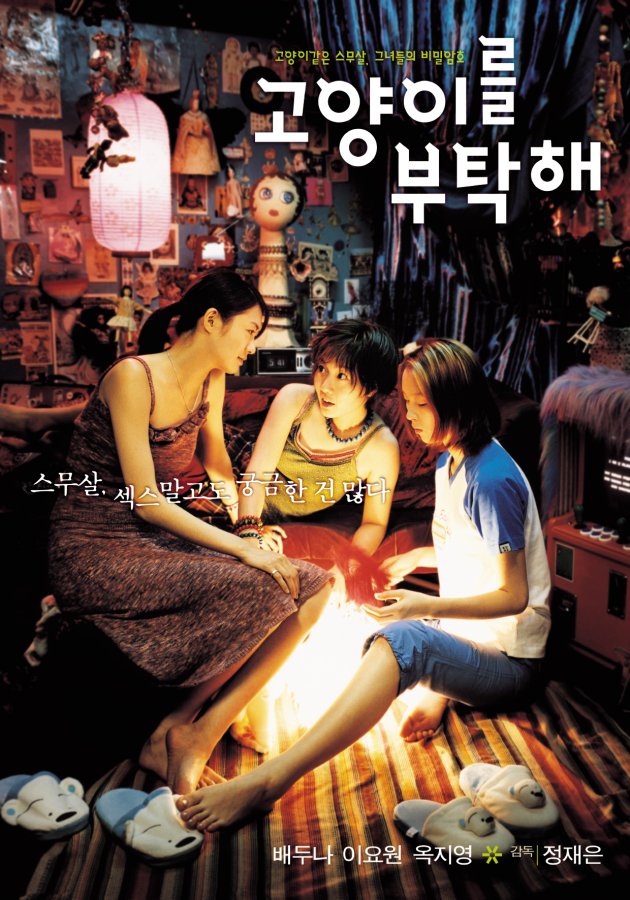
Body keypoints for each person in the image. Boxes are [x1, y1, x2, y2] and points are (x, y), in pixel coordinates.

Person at [174, 338, 551, 833]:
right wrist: (416, 558)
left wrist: (422, 606)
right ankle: (209, 722)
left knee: (403, 639)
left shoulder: (493, 480)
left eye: (420, 405)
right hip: (467, 636)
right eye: (407, 402)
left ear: (455, 402)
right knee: (348, 619)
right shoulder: (451, 459)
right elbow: (474, 550)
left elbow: (514, 596)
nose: (409, 416)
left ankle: (269, 782)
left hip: (511, 663)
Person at [47, 270, 333, 796]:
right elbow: (146, 499)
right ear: (212, 321)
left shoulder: (211, 381)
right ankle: (173, 734)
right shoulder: (133, 376)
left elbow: (218, 463)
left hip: (150, 540)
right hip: (92, 545)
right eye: (249, 332)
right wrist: (241, 550)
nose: (252, 346)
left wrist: (249, 526)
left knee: (314, 586)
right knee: (264, 581)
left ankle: (190, 731)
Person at [238, 319, 400, 558]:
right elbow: (256, 476)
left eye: (342, 375)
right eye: (322, 369)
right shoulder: (295, 399)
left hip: (269, 516)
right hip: (233, 483)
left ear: (370, 387)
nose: (324, 386)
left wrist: (350, 565)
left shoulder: (381, 448)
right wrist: (250, 530)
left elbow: (374, 523)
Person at [171, 89, 220, 176]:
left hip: (202, 144)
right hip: (189, 145)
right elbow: (181, 132)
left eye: (197, 103)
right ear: (190, 103)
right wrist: (188, 129)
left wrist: (206, 129)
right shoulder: (185, 117)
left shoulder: (204, 116)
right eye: (194, 103)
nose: (195, 105)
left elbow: (209, 131)